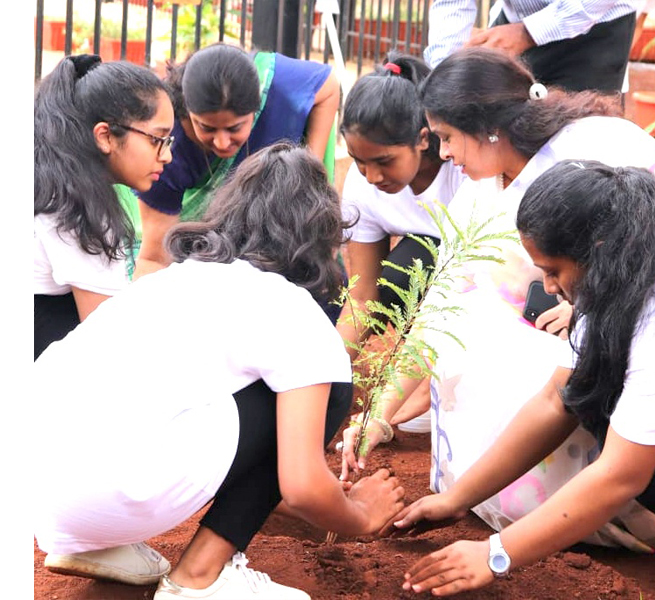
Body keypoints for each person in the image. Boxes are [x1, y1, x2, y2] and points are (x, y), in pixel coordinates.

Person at [340, 47, 655, 551]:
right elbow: (442, 314)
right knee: (479, 332)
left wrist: (590, 309)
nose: (446, 155)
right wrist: (379, 417)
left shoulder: (597, 146)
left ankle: (623, 509)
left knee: (534, 370)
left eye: (449, 138)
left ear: (487, 126)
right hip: (584, 335)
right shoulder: (483, 188)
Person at [33, 144, 405, 600]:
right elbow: (304, 486)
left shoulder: (169, 280)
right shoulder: (291, 307)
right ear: (321, 236)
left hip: (36, 492)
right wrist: (359, 514)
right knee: (328, 388)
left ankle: (98, 545)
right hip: (112, 492)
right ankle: (202, 576)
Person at [392, 159, 655, 599]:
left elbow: (621, 476)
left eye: (553, 270)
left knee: (648, 453)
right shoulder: (635, 267)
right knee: (599, 403)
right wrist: (457, 499)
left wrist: (497, 554)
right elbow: (558, 400)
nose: (548, 287)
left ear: (601, 250)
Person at [132, 43, 340, 284]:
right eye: (206, 128)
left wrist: (307, 168)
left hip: (275, 245)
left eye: (235, 128)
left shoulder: (278, 85)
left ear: (257, 108)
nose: (221, 143)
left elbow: (329, 86)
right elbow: (156, 258)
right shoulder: (169, 150)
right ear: (188, 111)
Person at [337, 52, 468, 429]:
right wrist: (323, 372)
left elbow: (480, 284)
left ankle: (443, 377)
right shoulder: (362, 187)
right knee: (398, 276)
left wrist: (426, 383)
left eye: (383, 161)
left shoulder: (462, 170)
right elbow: (362, 298)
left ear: (423, 139)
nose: (371, 176)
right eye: (359, 161)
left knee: (424, 264)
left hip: (483, 278)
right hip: (430, 268)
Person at [34, 54, 175, 360]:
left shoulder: (51, 182)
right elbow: (109, 345)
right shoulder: (78, 207)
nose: (167, 156)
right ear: (105, 136)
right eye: (157, 139)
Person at [424, 0, 639, 95]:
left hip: (593, 28)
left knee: (575, 148)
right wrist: (445, 70)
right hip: (513, 21)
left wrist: (528, 33)